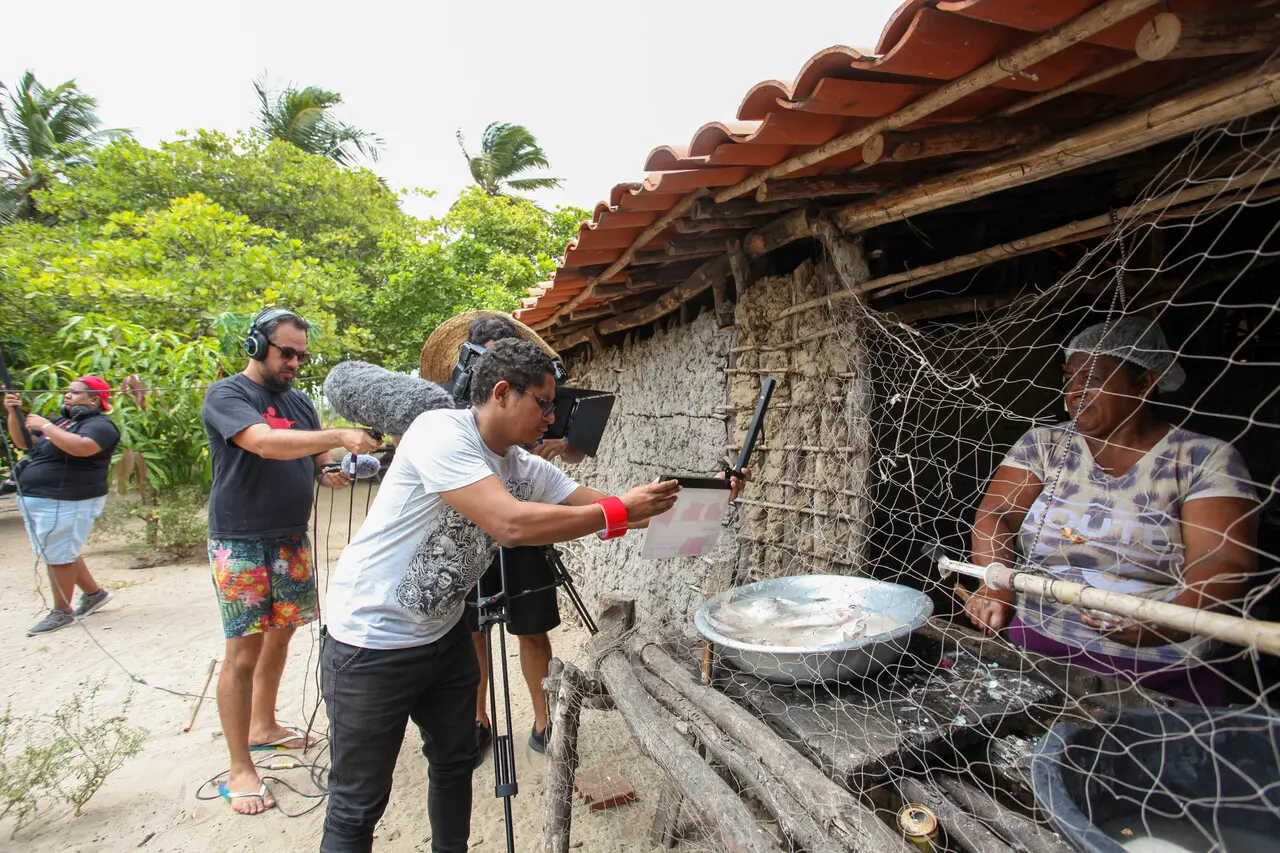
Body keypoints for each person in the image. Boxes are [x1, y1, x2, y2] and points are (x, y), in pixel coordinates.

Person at [321, 339, 745, 853]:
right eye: (543, 403)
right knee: (358, 802)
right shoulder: (440, 432)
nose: (551, 417)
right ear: (502, 392)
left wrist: (705, 494)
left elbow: (614, 509)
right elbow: (509, 522)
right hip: (370, 641)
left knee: (453, 766)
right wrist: (615, 512)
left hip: (443, 634)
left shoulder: (524, 465)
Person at [963, 316, 1259, 705]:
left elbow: (1221, 556)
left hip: (1158, 671)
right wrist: (993, 583)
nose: (1075, 392)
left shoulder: (1201, 458)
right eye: (1070, 378)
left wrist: (1167, 622)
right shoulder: (1044, 444)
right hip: (1036, 654)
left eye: (1093, 379)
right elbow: (997, 514)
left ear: (1145, 383)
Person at [202, 307, 381, 815]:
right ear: (256, 346)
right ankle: (240, 767)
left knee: (282, 636)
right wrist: (338, 436)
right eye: (286, 352)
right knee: (243, 652)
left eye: (301, 355)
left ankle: (264, 725)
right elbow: (261, 442)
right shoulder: (229, 395)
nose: (295, 363)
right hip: (240, 540)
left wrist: (336, 470)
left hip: (290, 538)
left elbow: (318, 464)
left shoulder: (300, 402)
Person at [422, 311, 584, 759]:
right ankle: (476, 718)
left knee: (533, 626)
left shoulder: (535, 420)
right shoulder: (444, 413)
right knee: (472, 630)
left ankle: (545, 719)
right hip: (473, 533)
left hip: (528, 524)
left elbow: (573, 462)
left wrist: (556, 446)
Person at [5, 376, 120, 636]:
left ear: (94, 399)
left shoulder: (101, 425)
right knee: (60, 549)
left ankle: (61, 611)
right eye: (66, 392)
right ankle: (94, 594)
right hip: (42, 498)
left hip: (68, 499)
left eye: (75, 393)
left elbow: (81, 448)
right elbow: (24, 442)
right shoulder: (62, 423)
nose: (67, 396)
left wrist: (46, 426)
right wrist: (13, 412)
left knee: (59, 553)